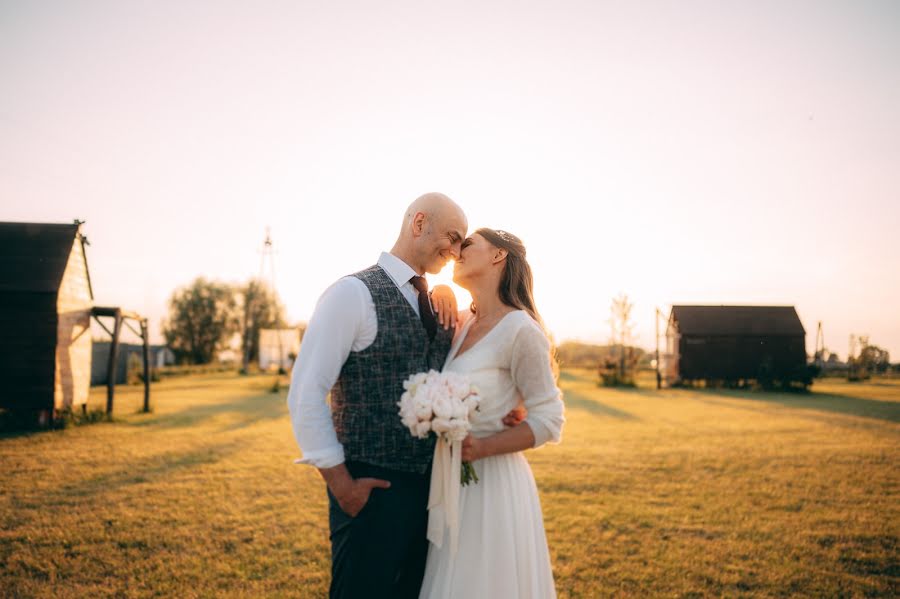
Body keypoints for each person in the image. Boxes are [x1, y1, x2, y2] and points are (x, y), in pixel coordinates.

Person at [419, 228, 565, 599]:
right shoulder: (464, 321)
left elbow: (549, 418)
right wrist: (440, 289)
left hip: (493, 484)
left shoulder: (521, 329)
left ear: (499, 255)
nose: (455, 251)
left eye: (467, 244)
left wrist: (481, 448)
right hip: (450, 480)